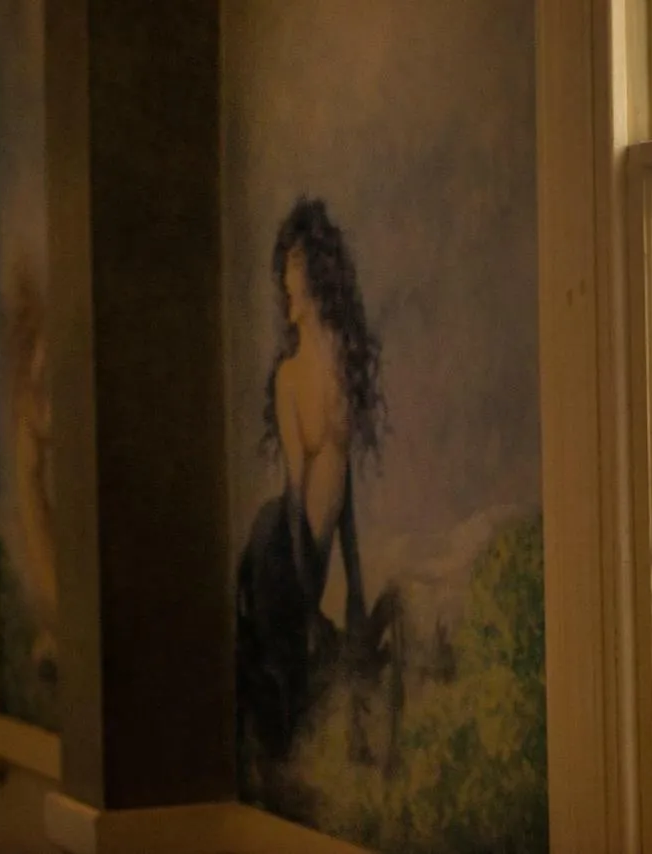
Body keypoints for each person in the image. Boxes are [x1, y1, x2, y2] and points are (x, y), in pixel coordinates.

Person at [236, 196, 389, 776]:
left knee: (298, 707)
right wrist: (307, 605)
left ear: (319, 273)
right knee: (285, 712)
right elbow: (296, 492)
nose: (286, 280)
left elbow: (341, 496)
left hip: (309, 554)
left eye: (295, 265)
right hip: (282, 548)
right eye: (284, 266)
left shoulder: (340, 366)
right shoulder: (290, 377)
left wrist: (353, 589)